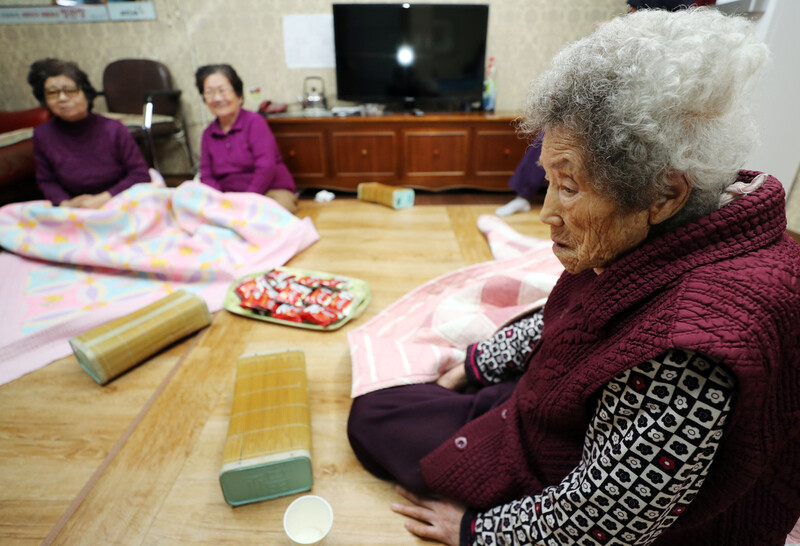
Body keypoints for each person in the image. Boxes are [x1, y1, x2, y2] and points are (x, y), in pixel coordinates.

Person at [347, 8, 800, 545]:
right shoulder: (683, 220)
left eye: (570, 187)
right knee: (397, 400)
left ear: (664, 194)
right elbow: (576, 318)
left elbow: (608, 517)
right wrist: (476, 363)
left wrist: (474, 532)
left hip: (562, 472)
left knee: (371, 418)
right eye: (549, 181)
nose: (546, 214)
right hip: (554, 411)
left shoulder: (689, 353)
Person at [27, 58, 151, 208]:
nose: (62, 98)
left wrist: (103, 199)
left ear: (86, 94)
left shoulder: (114, 128)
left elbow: (139, 174)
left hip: (119, 198)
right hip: (75, 205)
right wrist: (66, 203)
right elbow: (47, 180)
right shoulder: (42, 134)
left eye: (70, 91)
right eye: (52, 93)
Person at [194, 64, 298, 213]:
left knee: (265, 215)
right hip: (228, 198)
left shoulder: (255, 122)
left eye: (222, 90)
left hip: (268, 192)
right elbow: (207, 175)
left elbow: (266, 167)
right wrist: (222, 200)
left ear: (239, 95)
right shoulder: (208, 134)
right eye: (209, 92)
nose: (216, 98)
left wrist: (247, 200)